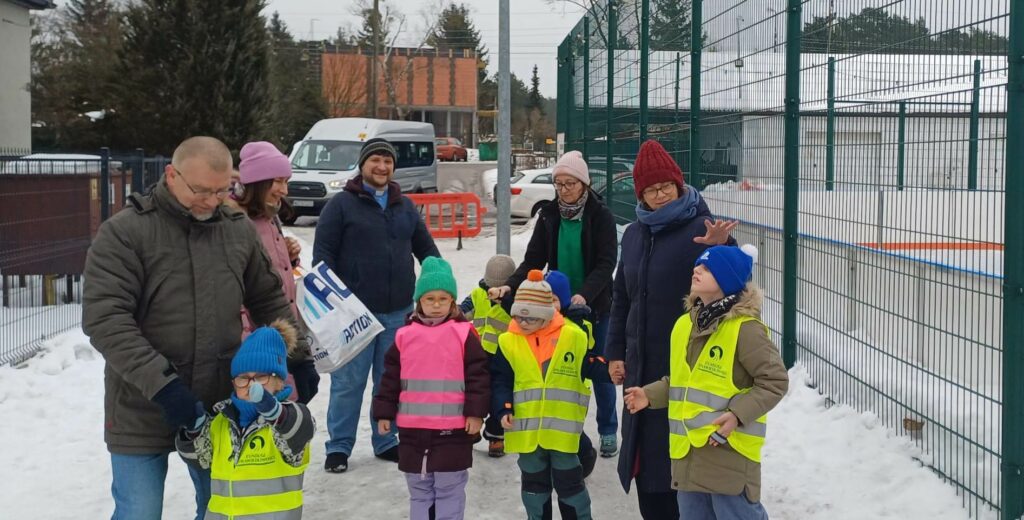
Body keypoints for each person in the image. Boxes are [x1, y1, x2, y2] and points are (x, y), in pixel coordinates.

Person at [82, 136, 305, 520]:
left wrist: (299, 358)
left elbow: (268, 299)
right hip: (142, 403)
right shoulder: (126, 233)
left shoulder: (236, 229)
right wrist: (165, 387)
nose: (211, 200)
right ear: (172, 175)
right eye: (201, 190)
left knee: (220, 508)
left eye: (222, 190)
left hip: (219, 409)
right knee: (140, 511)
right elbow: (106, 319)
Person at [606, 139, 737, 519]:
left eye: (667, 186)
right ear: (641, 194)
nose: (660, 195)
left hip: (686, 364)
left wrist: (723, 246)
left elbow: (734, 286)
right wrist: (615, 351)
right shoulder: (633, 235)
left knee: (680, 460)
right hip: (640, 363)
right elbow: (621, 297)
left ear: (680, 186)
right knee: (647, 464)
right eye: (651, 189)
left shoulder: (701, 227)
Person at [623, 245, 788, 519]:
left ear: (728, 279)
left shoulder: (745, 329)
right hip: (688, 455)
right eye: (698, 265)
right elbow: (683, 381)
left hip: (727, 452)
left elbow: (775, 381)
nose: (697, 270)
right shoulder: (684, 325)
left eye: (708, 268)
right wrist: (650, 395)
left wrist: (737, 415)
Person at [314, 137, 441, 473]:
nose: (382, 167)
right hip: (353, 314)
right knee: (348, 383)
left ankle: (386, 440)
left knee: (390, 381)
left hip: (398, 311)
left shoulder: (405, 206)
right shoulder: (341, 205)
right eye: (375, 161)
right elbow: (322, 257)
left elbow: (427, 250)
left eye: (387, 161)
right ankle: (339, 447)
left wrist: (439, 284)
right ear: (363, 164)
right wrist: (334, 304)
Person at [489, 150, 620, 458]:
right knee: (560, 371)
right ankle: (560, 428)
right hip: (556, 307)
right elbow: (534, 259)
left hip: (595, 304)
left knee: (597, 366)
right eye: (559, 183)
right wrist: (510, 285)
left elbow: (606, 263)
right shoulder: (549, 215)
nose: (563, 190)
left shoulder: (601, 216)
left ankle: (608, 429)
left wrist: (584, 294)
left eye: (570, 183)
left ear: (584, 184)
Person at [373, 257, 491, 520]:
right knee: (419, 490)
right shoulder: (405, 335)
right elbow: (390, 377)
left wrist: (475, 413)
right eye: (430, 299)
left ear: (452, 302)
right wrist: (383, 413)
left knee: (449, 488)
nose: (436, 305)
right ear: (419, 301)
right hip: (413, 429)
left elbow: (478, 377)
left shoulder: (463, 333)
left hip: (453, 428)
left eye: (443, 298)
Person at [491, 270, 611, 520]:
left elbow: (588, 364)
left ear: (547, 315)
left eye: (531, 318)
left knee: (571, 489)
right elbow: (501, 379)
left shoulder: (571, 337)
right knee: (534, 491)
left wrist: (613, 370)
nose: (523, 324)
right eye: (519, 317)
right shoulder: (508, 341)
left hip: (562, 435)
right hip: (528, 434)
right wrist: (504, 408)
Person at [175, 319, 316, 519]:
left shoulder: (290, 417)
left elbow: (298, 431)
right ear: (234, 383)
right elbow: (199, 459)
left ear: (278, 381)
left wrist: (273, 411)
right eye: (243, 378)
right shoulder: (222, 422)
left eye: (260, 377)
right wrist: (193, 428)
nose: (251, 385)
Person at [235, 140, 319, 404]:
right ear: (258, 182)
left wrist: (289, 259)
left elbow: (267, 274)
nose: (284, 190)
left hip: (282, 336)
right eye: (278, 181)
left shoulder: (270, 217)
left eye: (286, 181)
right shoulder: (236, 223)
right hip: (256, 348)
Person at [458, 253, 516, 457]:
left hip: (505, 357)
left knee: (500, 396)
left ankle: (495, 435)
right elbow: (461, 313)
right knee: (474, 392)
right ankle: (472, 426)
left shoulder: (513, 301)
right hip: (477, 356)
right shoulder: (477, 295)